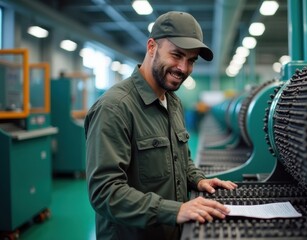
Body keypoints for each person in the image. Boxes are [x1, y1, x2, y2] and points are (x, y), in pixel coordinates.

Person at [84, 11, 238, 240]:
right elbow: (105, 193)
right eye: (176, 55)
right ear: (152, 46)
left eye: (191, 61)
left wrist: (197, 178)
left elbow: (180, 160)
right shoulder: (115, 108)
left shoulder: (174, 102)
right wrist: (175, 210)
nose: (183, 68)